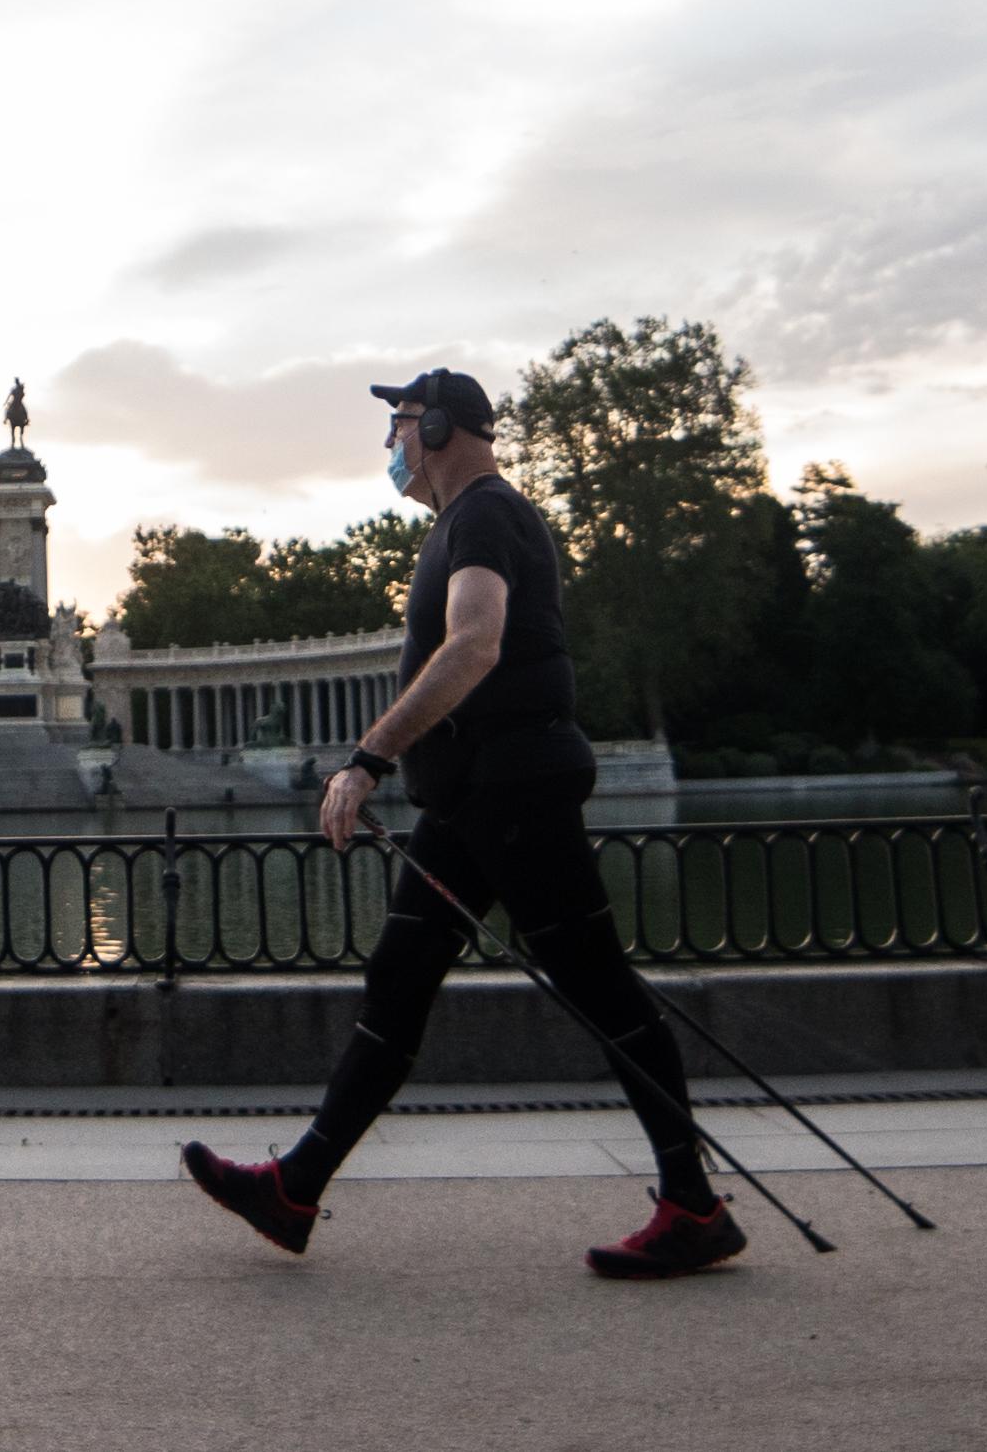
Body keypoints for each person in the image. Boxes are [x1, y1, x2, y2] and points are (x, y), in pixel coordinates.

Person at [181, 368, 744, 1279]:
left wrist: (367, 759)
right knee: (398, 984)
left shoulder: (483, 514)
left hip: (511, 792)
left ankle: (693, 1204)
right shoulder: (462, 522)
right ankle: (293, 1188)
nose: (392, 445)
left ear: (438, 424)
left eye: (399, 425)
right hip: (471, 801)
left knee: (601, 995)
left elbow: (475, 641)